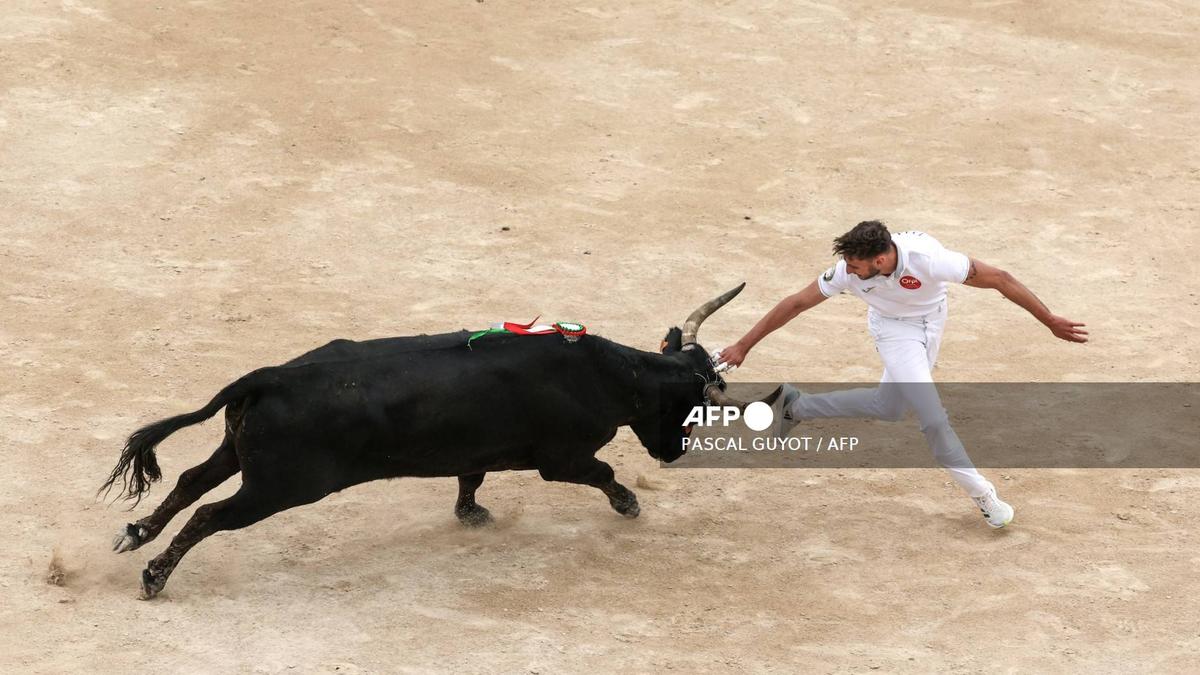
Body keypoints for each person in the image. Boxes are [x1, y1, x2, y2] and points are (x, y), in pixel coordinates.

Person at [716, 220, 1087, 528]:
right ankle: (984, 495)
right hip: (893, 330)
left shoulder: (931, 261)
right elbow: (796, 303)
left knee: (888, 406)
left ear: (881, 258)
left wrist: (1049, 320)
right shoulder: (846, 272)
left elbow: (1001, 279)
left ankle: (795, 407)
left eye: (856, 265)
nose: (849, 271)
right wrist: (744, 345)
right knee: (933, 419)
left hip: (932, 321)